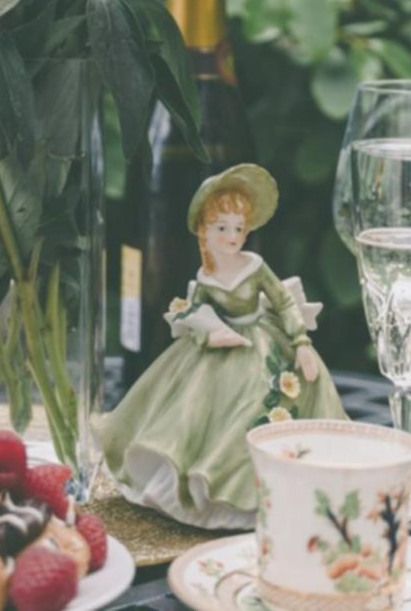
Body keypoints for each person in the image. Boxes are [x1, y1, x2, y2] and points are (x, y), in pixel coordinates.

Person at [102, 164, 346, 529]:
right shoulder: (206, 277)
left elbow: (283, 301)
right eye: (222, 228)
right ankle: (198, 489)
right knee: (191, 406)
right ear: (204, 231)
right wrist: (207, 331)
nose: (232, 237)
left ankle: (262, 489)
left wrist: (301, 342)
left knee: (258, 399)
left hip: (261, 343)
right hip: (220, 346)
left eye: (238, 228)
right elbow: (194, 310)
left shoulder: (255, 266)